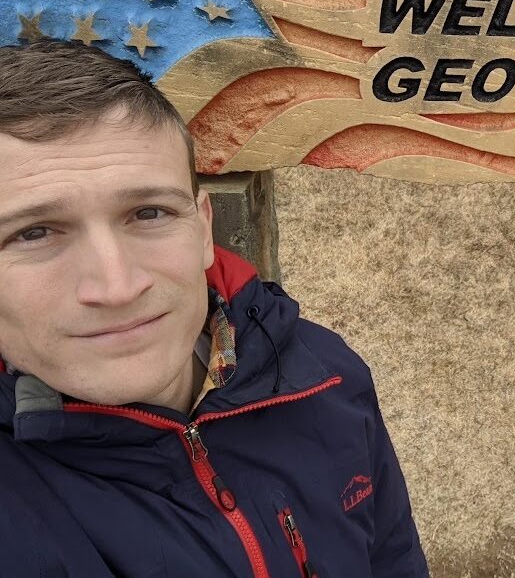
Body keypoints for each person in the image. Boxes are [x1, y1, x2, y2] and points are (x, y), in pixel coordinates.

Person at [0, 40, 429, 577]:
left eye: (149, 212)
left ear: (204, 228)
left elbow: (393, 558)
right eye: (34, 232)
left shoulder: (327, 376)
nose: (116, 286)